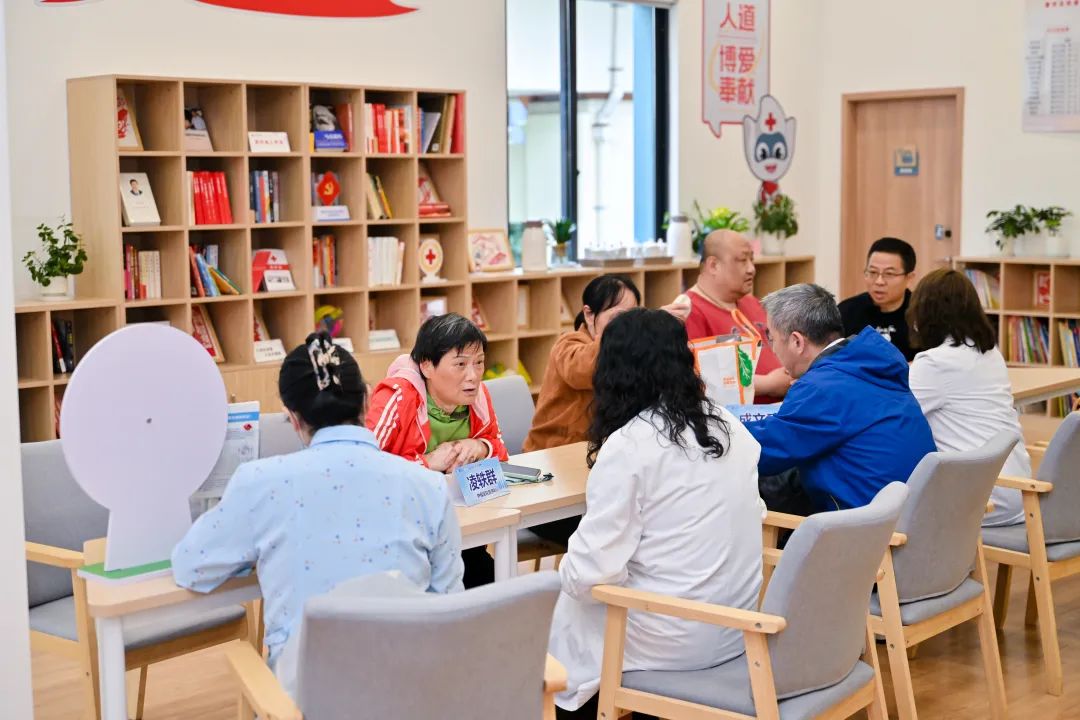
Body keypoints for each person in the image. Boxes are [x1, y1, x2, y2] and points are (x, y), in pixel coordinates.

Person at [173, 332, 464, 687]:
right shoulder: (428, 487)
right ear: (366, 399)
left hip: (308, 699)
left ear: (293, 417)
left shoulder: (261, 482)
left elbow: (191, 566)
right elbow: (450, 605)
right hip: (413, 692)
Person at [548, 308, 764, 718]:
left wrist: (562, 575)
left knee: (564, 621)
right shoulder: (728, 425)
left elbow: (588, 574)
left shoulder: (630, 445)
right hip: (736, 627)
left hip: (670, 638)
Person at [744, 283, 936, 514]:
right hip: (917, 518)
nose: (773, 349)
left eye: (772, 339)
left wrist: (718, 424)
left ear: (797, 341)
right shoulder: (871, 365)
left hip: (867, 526)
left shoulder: (823, 387)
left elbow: (761, 452)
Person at [365, 313, 508, 587]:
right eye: (460, 364)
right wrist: (427, 463)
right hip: (401, 541)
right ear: (427, 365)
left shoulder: (478, 397)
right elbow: (365, 469)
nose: (473, 376)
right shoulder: (397, 397)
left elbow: (501, 453)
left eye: (479, 363)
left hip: (460, 531)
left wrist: (479, 446)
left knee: (495, 585)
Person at [907, 268, 1030, 527]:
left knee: (885, 502)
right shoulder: (990, 353)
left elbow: (899, 417)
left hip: (980, 501)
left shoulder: (933, 363)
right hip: (1019, 492)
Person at [524, 275, 689, 452]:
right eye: (618, 318)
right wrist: (643, 328)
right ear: (589, 314)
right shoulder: (567, 344)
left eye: (631, 318)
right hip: (553, 450)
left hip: (602, 447)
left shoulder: (629, 349)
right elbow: (583, 371)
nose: (625, 327)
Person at [683, 229, 792, 403]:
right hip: (738, 416)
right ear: (713, 265)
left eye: (752, 260)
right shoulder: (689, 311)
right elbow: (698, 380)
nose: (751, 269)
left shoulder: (751, 302)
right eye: (742, 260)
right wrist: (768, 384)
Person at [839, 237, 918, 361]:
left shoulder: (923, 314)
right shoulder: (847, 311)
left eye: (889, 274)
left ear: (909, 278)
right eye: (873, 272)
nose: (879, 281)